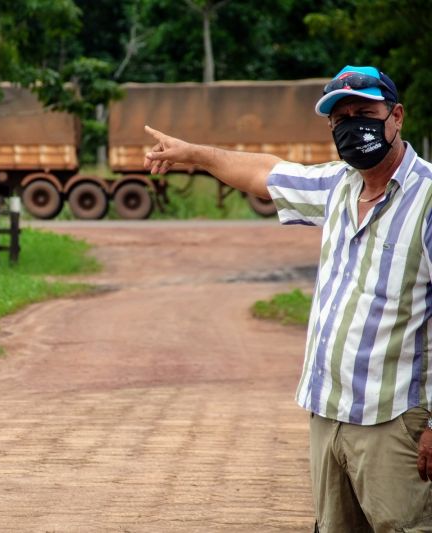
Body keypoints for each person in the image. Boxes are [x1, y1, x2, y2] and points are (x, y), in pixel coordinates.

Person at [144, 65, 432, 532]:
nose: (352, 127)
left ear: (396, 116)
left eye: (365, 114)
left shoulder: (427, 199)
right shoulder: (338, 185)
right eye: (341, 119)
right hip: (327, 414)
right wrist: (193, 153)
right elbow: (265, 172)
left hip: (394, 422)